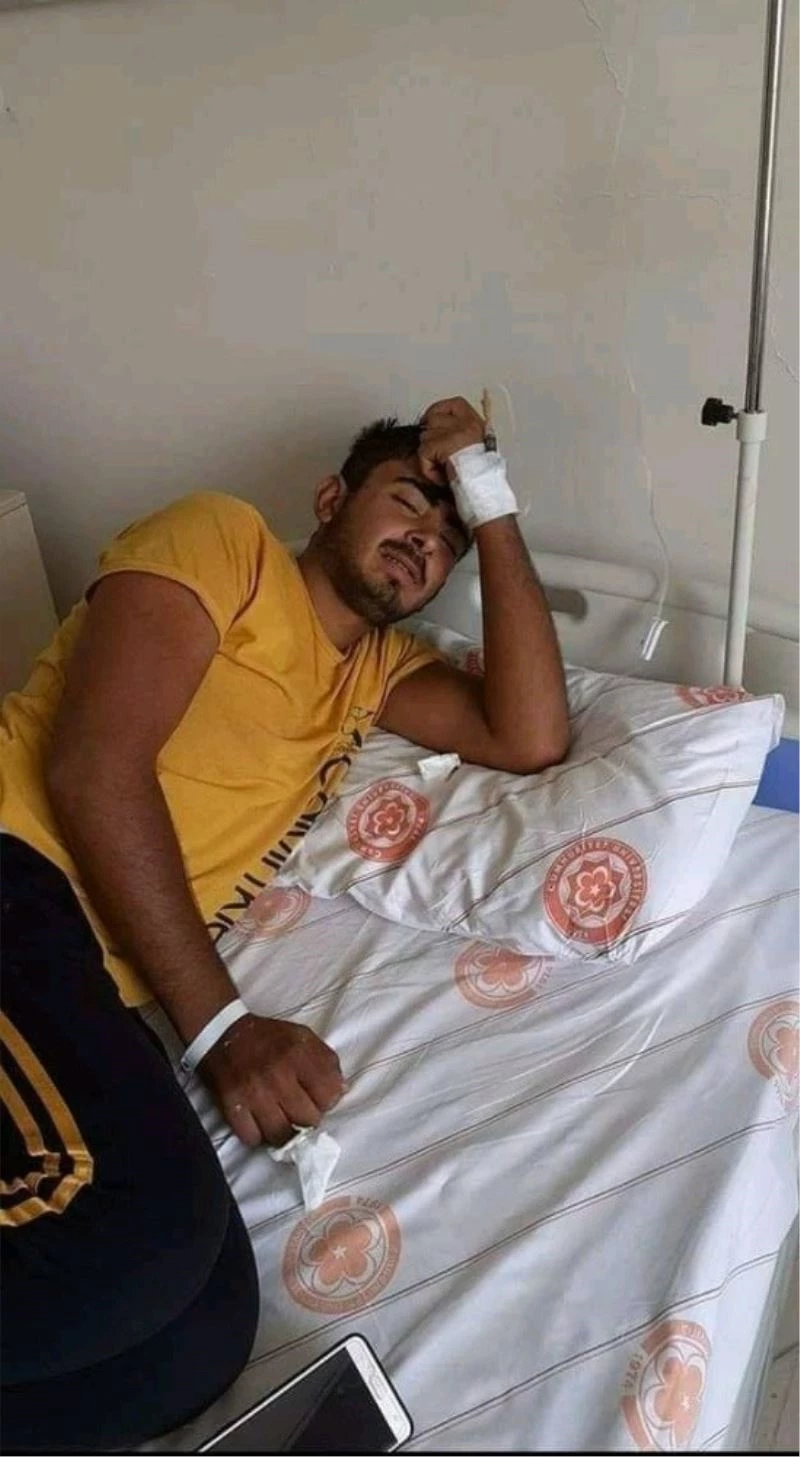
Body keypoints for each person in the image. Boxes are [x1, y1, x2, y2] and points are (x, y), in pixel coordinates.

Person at [0, 395, 569, 1451]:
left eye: (446, 542)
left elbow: (532, 736)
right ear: (329, 498)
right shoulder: (225, 544)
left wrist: (488, 500)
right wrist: (222, 1028)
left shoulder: (377, 676)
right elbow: (91, 767)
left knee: (199, 1339)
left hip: (93, 984)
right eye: (409, 501)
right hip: (15, 878)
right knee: (138, 1240)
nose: (426, 539)